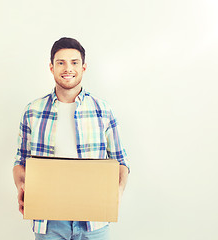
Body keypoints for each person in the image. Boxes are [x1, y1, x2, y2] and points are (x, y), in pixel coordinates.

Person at [13, 37, 130, 240]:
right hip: (49, 222)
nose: (68, 68)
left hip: (94, 221)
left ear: (84, 67)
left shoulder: (103, 110)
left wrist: (118, 192)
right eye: (61, 63)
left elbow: (121, 161)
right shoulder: (33, 111)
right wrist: (22, 187)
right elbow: (20, 162)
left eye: (74, 62)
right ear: (51, 67)